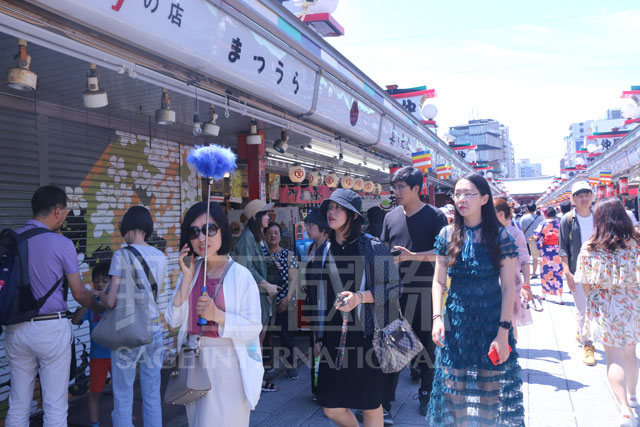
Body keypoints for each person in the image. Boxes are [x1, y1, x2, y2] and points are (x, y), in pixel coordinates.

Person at [428, 173, 524, 426]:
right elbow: (438, 282)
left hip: (490, 322)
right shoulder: (447, 234)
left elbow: (507, 289)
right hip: (455, 322)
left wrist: (503, 333)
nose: (461, 199)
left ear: (484, 198)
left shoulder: (501, 236)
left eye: (468, 193)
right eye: (457, 193)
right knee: (453, 387)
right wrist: (437, 318)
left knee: (488, 388)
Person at [5, 185, 103, 427]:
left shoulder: (11, 240)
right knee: (55, 405)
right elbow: (79, 293)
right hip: (50, 329)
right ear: (58, 212)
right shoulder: (62, 244)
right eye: (66, 211)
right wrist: (100, 307)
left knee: (18, 402)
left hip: (15, 329)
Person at [165, 201, 263, 426]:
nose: (202, 238)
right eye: (194, 231)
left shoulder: (241, 275)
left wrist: (217, 315)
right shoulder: (189, 272)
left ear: (223, 231)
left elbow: (253, 327)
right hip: (194, 362)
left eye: (210, 229)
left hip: (228, 365)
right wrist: (187, 279)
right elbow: (173, 320)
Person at [316, 189, 402, 427]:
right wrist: (317, 335)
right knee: (331, 407)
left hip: (367, 338)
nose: (331, 213)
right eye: (329, 208)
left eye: (338, 208)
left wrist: (360, 297)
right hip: (334, 338)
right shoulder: (323, 249)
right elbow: (319, 295)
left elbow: (395, 289)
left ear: (353, 216)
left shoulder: (372, 246)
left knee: (371, 404)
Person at [380, 166, 447, 417]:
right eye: (394, 187)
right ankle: (385, 402)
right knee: (395, 346)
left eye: (401, 187)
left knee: (428, 348)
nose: (395, 192)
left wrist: (413, 257)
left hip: (427, 291)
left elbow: (444, 255)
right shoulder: (390, 217)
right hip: (396, 293)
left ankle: (427, 395)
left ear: (416, 189)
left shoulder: (435, 216)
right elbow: (384, 251)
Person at [573, 197, 640, 426]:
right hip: (633, 304)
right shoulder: (637, 243)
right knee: (631, 353)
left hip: (605, 307)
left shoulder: (590, 247)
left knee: (614, 358)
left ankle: (624, 410)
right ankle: (632, 396)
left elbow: (584, 283)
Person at [101, 206, 167, 427]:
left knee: (123, 395)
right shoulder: (160, 256)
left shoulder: (121, 255)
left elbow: (110, 301)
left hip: (128, 331)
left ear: (126, 226)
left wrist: (98, 294)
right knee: (151, 394)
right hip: (155, 330)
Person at [234, 199, 281, 392]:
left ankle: (257, 377)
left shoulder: (257, 237)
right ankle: (255, 380)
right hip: (254, 297)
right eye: (266, 214)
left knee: (259, 339)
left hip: (262, 296)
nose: (269, 217)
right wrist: (266, 284)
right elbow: (245, 267)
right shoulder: (247, 238)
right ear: (256, 217)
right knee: (255, 340)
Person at [559, 181, 597, 366]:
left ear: (592, 196)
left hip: (600, 271)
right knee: (582, 308)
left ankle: (581, 331)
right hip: (577, 270)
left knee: (596, 307)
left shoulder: (600, 216)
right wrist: (567, 272)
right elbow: (563, 248)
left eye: (587, 194)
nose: (584, 198)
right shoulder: (567, 219)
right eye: (579, 195)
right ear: (573, 199)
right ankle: (588, 345)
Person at [71, 261, 112, 427]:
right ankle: (94, 423)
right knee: (95, 392)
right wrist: (86, 301)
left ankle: (125, 418)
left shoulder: (113, 301)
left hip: (118, 354)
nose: (100, 284)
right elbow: (75, 321)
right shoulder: (91, 303)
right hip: (98, 356)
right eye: (96, 281)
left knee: (122, 392)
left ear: (112, 281)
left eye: (104, 281)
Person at [264, 222, 300, 380]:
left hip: (284, 300)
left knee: (286, 336)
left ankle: (291, 367)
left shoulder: (289, 255)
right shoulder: (261, 254)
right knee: (265, 336)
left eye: (276, 233)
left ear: (280, 236)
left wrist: (287, 299)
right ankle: (268, 366)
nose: (273, 235)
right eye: (270, 232)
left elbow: (294, 279)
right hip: (265, 302)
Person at [494, 197, 533, 338]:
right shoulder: (488, 232)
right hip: (492, 282)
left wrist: (527, 284)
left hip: (512, 282)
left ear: (500, 214)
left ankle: (512, 350)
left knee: (510, 321)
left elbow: (524, 258)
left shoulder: (515, 233)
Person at [302, 208, 330, 402]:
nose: (307, 229)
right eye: (307, 225)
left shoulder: (329, 248)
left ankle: (325, 388)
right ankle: (317, 388)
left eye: (311, 226)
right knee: (315, 346)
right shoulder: (311, 247)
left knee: (323, 345)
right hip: (313, 302)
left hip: (326, 305)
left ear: (323, 229)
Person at [533, 206, 564, 304]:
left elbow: (536, 236)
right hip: (557, 250)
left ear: (545, 214)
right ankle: (560, 297)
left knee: (545, 272)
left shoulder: (542, 224)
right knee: (558, 273)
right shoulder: (559, 224)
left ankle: (544, 294)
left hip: (546, 251)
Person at [520, 202, 544, 279]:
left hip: (525, 241)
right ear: (535, 208)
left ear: (527, 209)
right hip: (535, 241)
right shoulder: (540, 218)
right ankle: (533, 273)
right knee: (535, 258)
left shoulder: (523, 218)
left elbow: (521, 230)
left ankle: (526, 274)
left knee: (525, 258)